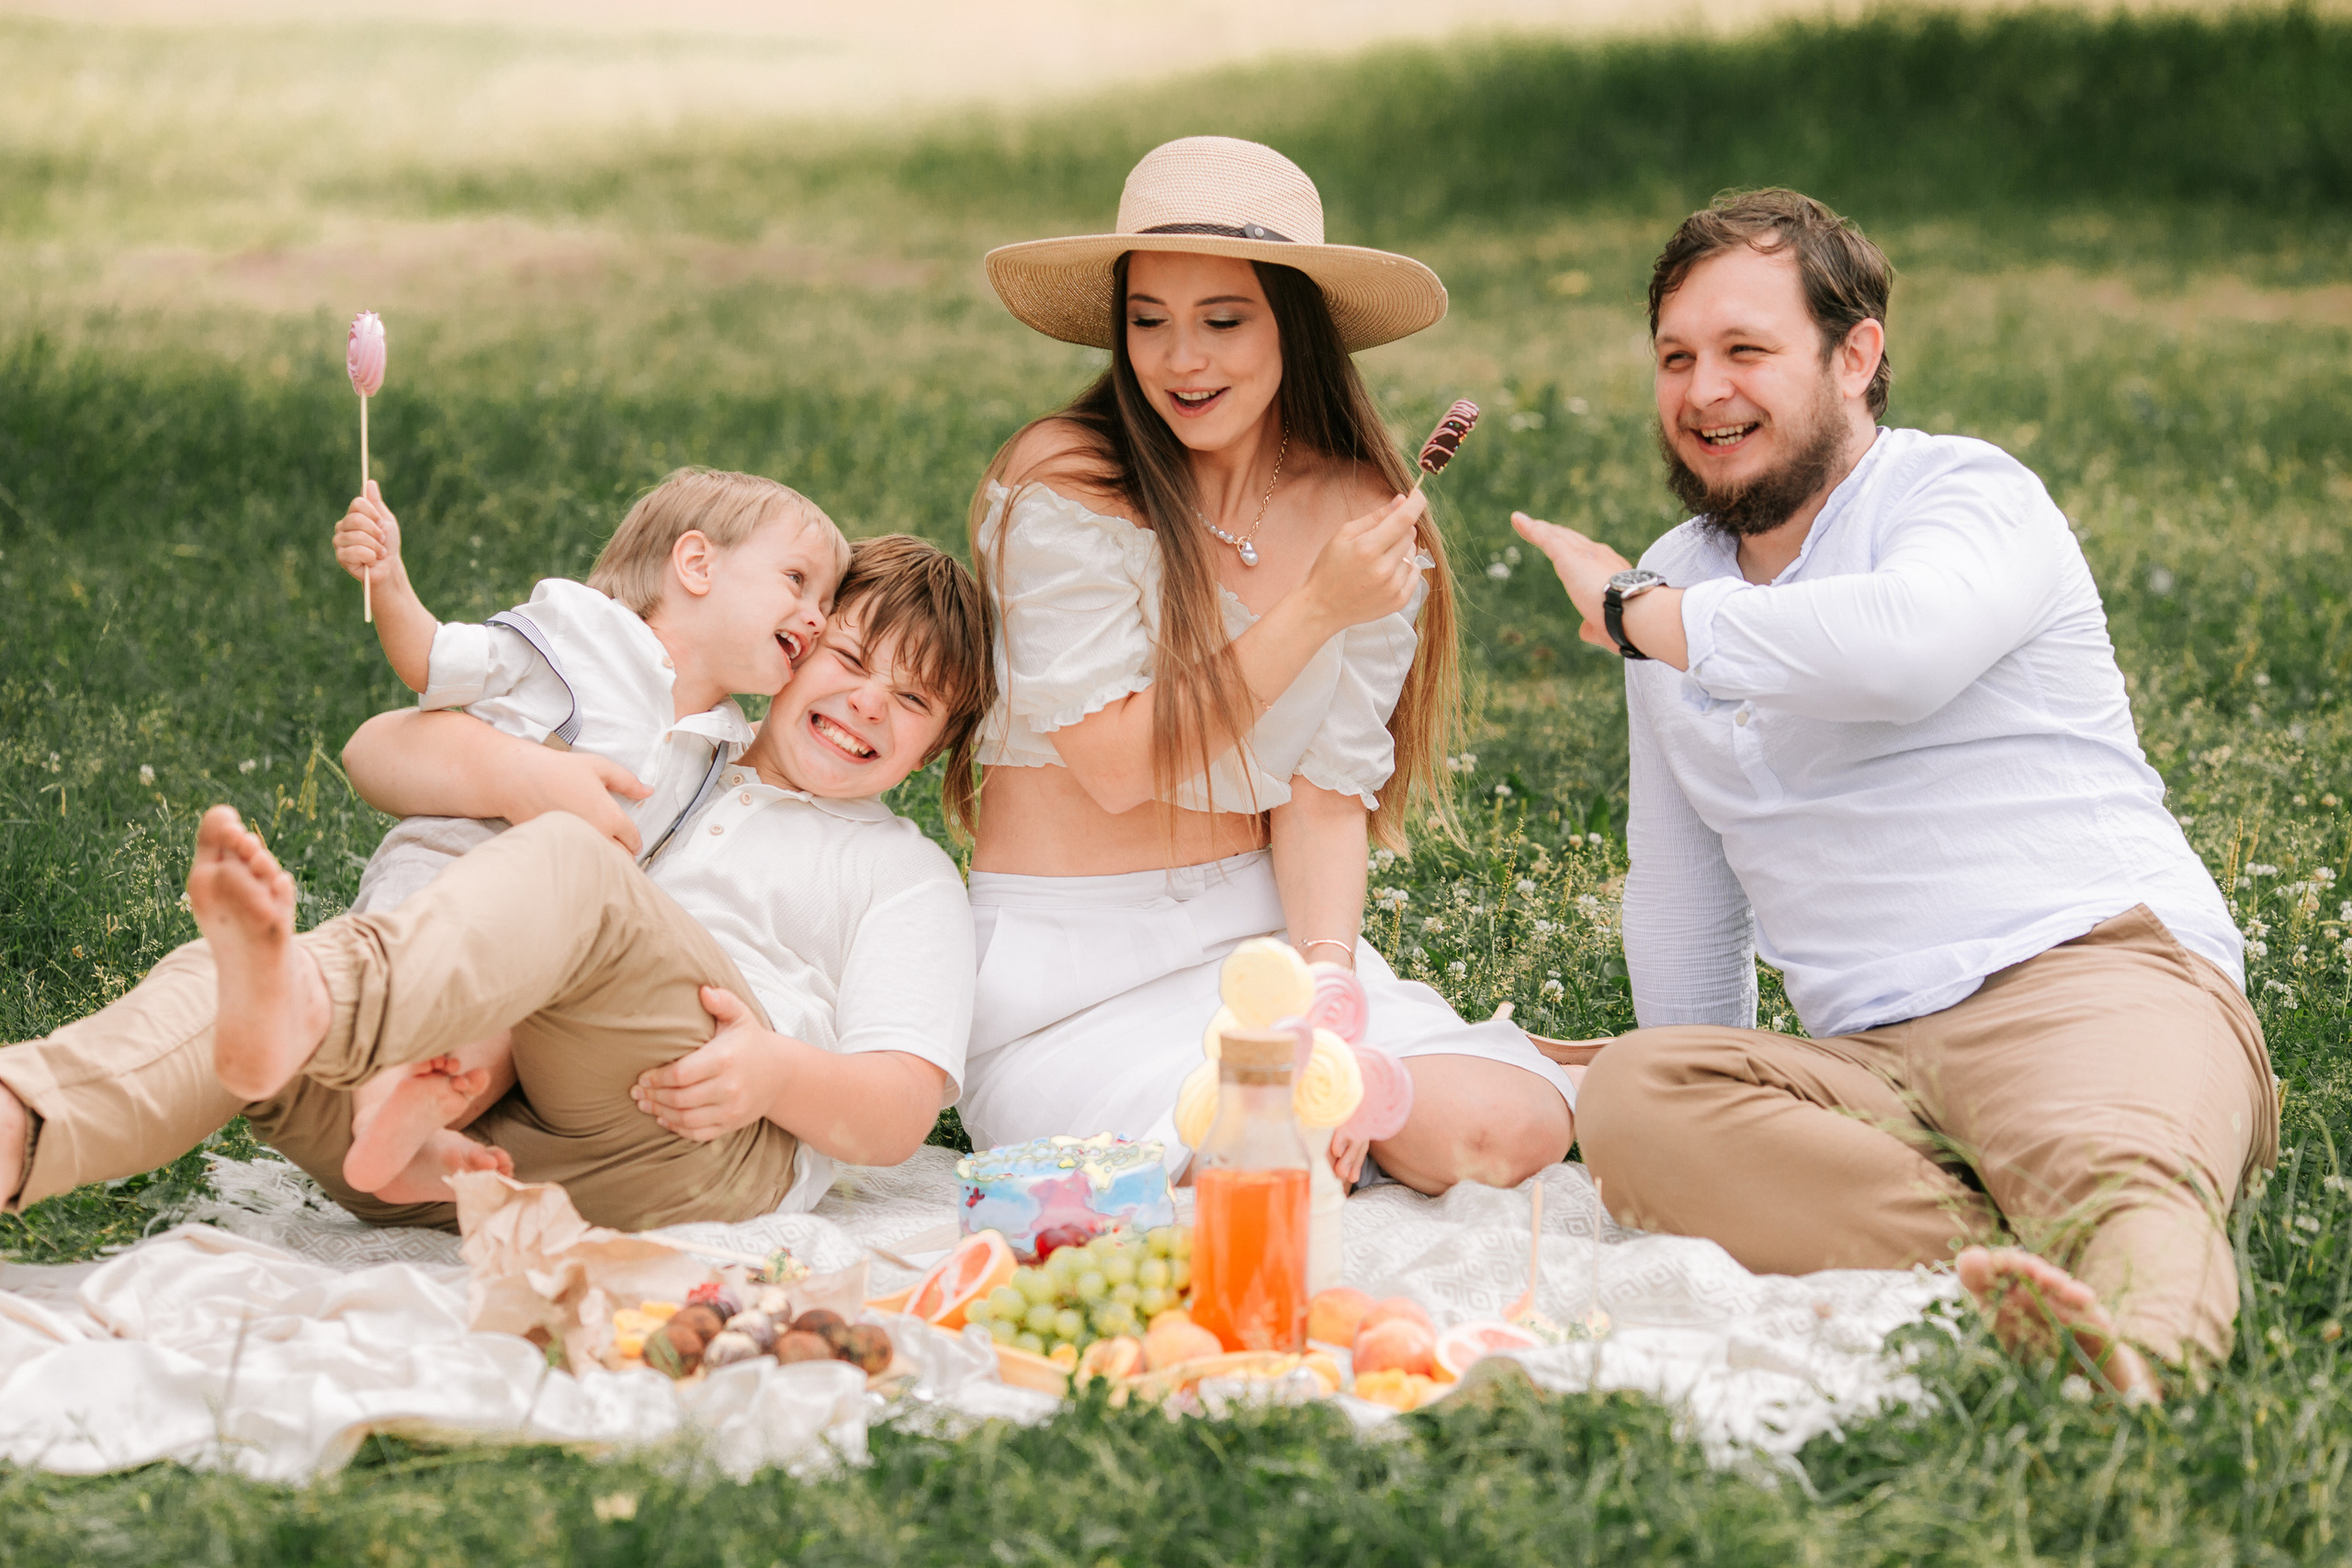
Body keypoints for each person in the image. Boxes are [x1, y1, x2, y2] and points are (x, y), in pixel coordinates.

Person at [1510, 187, 2271, 1394]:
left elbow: (1899, 650)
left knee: (2113, 1170)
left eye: (1746, 350)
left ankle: (2133, 1349)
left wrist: (1638, 616)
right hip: (1865, 1057)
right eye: (1677, 356)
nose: (1705, 390)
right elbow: (1686, 895)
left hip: (2081, 973)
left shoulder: (1965, 496)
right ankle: (2000, 1255)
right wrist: (1717, 1089)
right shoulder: (1676, 583)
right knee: (1638, 1094)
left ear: (1855, 355)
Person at [0, 536, 992, 1233]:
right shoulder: (671, 743)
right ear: (796, 646)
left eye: (910, 701)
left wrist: (774, 1072)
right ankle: (23, 1126)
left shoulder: (898, 874)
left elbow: (900, 1112)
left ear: (934, 749)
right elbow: (378, 750)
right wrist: (523, 773)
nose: (868, 701)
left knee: (572, 863)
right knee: (233, 987)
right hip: (455, 1143)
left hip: (700, 1134)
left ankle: (323, 999)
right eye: (851, 658)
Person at [958, 135, 1577, 1192]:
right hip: (1070, 976)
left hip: (1260, 947)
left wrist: (1327, 995)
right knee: (1260, 1165)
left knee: (1503, 1129)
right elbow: (1113, 763)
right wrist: (1313, 608)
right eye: (1147, 322)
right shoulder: (1065, 481)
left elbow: (1324, 794)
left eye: (1222, 320)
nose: (1179, 359)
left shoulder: (1359, 517)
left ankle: (1387, 1090)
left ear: (1293, 322)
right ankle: (1296, 1128)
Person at [324, 467, 847, 1202]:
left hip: (549, 934)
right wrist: (392, 580)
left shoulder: (723, 743)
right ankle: (381, 1109)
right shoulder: (580, 634)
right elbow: (435, 660)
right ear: (696, 564)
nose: (817, 616)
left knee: (504, 1035)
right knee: (420, 980)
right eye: (798, 581)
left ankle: (417, 1130)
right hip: (454, 862)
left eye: (827, 602)